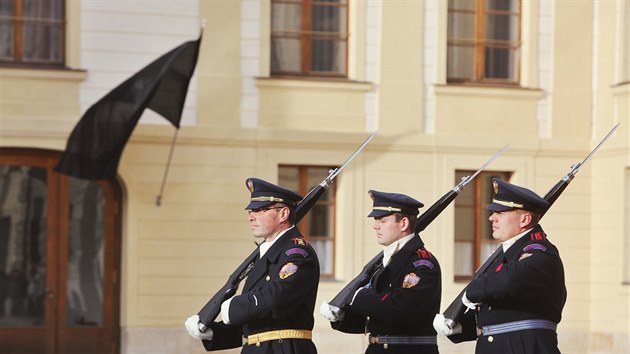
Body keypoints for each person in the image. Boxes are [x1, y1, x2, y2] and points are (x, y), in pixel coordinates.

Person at [185, 177, 320, 353]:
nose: (251, 216)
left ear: (283, 214)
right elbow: (258, 325)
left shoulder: (297, 254)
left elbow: (275, 300)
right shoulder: (265, 255)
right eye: (250, 211)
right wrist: (213, 332)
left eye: (260, 210)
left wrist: (233, 307)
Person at [433, 178, 567, 354]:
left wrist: (471, 292)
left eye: (501, 213)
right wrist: (460, 326)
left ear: (525, 219)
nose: (491, 217)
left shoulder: (540, 252)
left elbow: (508, 281)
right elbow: (499, 315)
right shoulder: (505, 255)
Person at [320, 190, 441, 354]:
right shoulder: (384, 263)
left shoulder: (422, 264)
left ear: (403, 223)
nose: (375, 226)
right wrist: (342, 315)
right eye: (376, 220)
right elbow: (375, 320)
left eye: (382, 220)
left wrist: (359, 297)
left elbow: (401, 309)